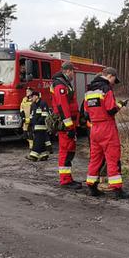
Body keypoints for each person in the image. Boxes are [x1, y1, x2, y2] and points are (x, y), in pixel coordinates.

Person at [84, 67, 129, 199]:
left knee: (95, 158)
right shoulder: (106, 89)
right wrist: (120, 105)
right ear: (110, 76)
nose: (114, 83)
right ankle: (117, 190)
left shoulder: (89, 91)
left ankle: (92, 186)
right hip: (107, 128)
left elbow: (86, 113)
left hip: (94, 128)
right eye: (114, 80)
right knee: (112, 158)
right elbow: (110, 110)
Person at [50, 61, 80, 189]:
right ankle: (65, 180)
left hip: (70, 123)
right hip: (66, 124)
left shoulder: (64, 83)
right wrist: (69, 126)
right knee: (66, 151)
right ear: (67, 71)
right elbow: (63, 107)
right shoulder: (60, 85)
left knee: (69, 150)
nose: (73, 74)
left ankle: (68, 178)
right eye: (73, 71)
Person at [28, 90, 51, 161]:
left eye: (32, 97)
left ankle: (33, 155)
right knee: (40, 141)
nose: (31, 98)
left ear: (37, 96)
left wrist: (38, 122)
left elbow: (45, 114)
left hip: (42, 126)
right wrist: (31, 123)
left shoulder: (43, 104)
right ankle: (44, 155)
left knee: (37, 141)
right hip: (35, 126)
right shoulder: (33, 105)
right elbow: (31, 115)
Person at [20, 88, 34, 155]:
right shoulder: (24, 99)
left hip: (33, 119)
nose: (26, 92)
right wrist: (22, 117)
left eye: (28, 91)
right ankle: (31, 145)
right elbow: (21, 108)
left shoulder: (35, 99)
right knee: (25, 135)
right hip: (26, 120)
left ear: (32, 92)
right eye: (26, 91)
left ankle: (32, 146)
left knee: (31, 133)